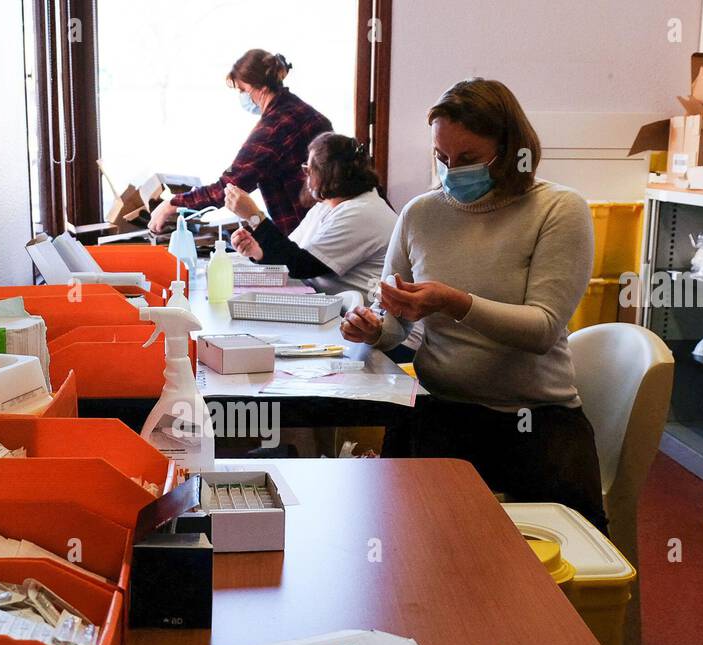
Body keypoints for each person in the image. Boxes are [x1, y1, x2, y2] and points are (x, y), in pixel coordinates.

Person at [340, 77, 606, 531]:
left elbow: (541, 330)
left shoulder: (558, 210)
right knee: (401, 541)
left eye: (468, 159)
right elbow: (396, 318)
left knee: (549, 576)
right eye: (442, 158)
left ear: (511, 150)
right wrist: (374, 329)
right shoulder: (420, 214)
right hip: (442, 408)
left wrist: (455, 302)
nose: (451, 171)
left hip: (533, 420)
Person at [148, 49, 332, 236]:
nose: (242, 97)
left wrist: (172, 204)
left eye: (243, 90)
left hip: (306, 235)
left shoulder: (276, 126)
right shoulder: (306, 112)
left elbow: (229, 187)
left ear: (262, 87)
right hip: (324, 225)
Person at [224, 131, 398, 302]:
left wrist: (254, 217)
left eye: (308, 170)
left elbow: (301, 265)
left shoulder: (362, 213)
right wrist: (257, 251)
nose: (306, 176)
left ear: (327, 175)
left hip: (363, 318)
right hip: (330, 308)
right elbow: (289, 254)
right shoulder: (327, 206)